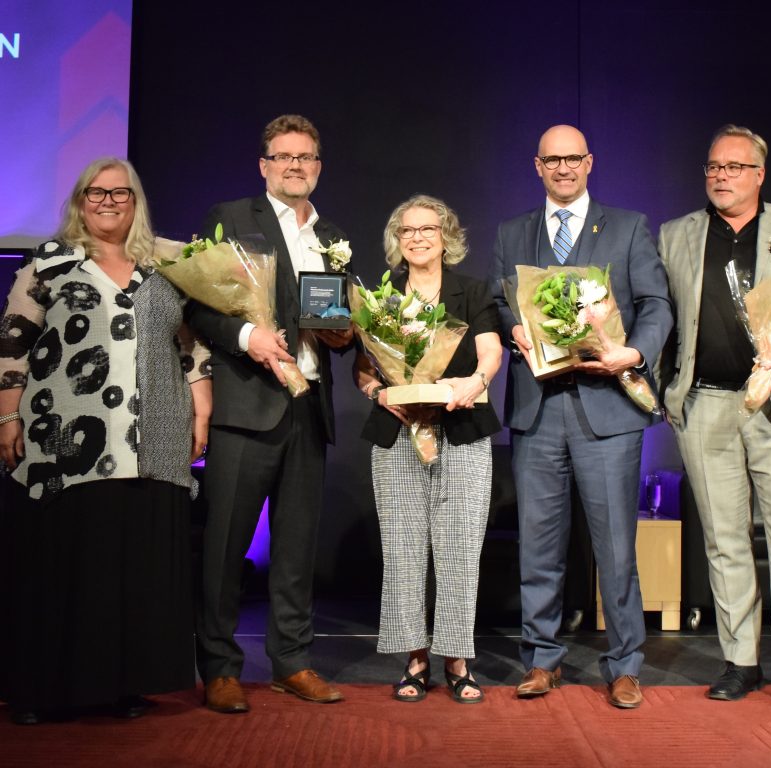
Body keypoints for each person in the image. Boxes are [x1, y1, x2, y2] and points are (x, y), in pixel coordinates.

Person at [0, 157, 212, 725]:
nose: (108, 202)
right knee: (66, 563)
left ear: (136, 201)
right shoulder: (50, 262)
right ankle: (40, 689)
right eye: (96, 193)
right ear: (79, 200)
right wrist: (7, 416)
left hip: (153, 436)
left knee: (133, 564)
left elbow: (190, 344)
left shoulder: (166, 264)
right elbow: (13, 342)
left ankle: (125, 683)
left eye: (120, 193)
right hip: (66, 437)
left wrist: (203, 403)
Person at [490, 124, 673, 709]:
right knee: (538, 545)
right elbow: (498, 302)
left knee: (617, 547)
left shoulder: (627, 227)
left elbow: (656, 304)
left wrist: (635, 353)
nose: (563, 168)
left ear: (590, 162)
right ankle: (542, 660)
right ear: (536, 165)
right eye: (553, 160)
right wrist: (510, 326)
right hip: (538, 410)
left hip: (607, 410)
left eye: (573, 159)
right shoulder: (511, 232)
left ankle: (623, 664)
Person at [658, 124, 771, 716]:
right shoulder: (676, 234)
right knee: (724, 540)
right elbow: (659, 314)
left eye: (734, 167)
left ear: (759, 175)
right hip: (706, 404)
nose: (721, 176)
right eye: (713, 167)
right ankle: (739, 660)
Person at [188, 114, 353, 713]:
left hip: (308, 409)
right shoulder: (232, 218)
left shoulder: (332, 233)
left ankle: (293, 662)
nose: (294, 166)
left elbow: (337, 318)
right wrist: (243, 338)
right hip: (246, 405)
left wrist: (343, 335)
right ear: (264, 166)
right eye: (283, 157)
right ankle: (221, 668)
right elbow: (199, 307)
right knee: (225, 547)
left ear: (318, 166)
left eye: (305, 157)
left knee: (295, 549)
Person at [356, 195, 502, 704]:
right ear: (397, 241)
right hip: (396, 435)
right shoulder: (380, 297)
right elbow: (363, 370)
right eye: (407, 231)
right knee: (403, 551)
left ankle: (458, 658)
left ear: (447, 237)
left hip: (462, 431)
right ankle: (414, 658)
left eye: (428, 229)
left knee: (460, 550)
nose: (417, 237)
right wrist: (379, 393)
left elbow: (490, 349)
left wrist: (477, 380)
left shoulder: (472, 290)